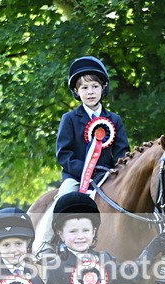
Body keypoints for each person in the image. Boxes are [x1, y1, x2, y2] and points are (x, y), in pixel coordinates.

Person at [55, 55, 130, 198]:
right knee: (64, 196)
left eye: (95, 86)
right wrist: (87, 170)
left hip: (108, 177)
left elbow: (122, 152)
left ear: (103, 87)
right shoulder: (69, 119)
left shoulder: (115, 119)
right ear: (76, 91)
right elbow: (64, 154)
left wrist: (115, 172)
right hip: (76, 178)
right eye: (84, 88)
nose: (90, 92)